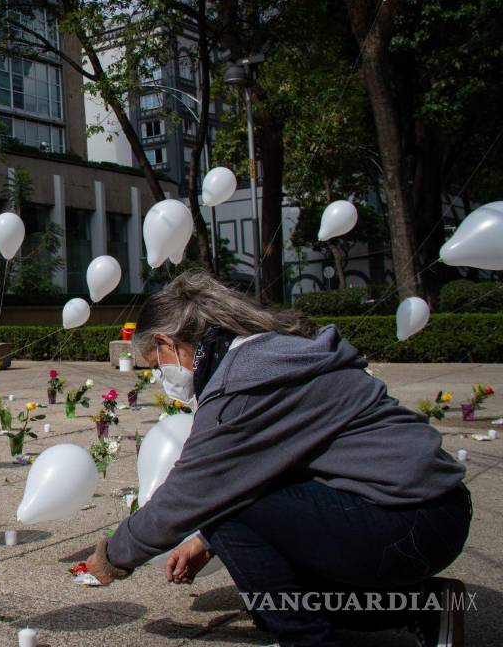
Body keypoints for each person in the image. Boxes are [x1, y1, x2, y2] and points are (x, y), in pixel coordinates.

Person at [84, 272, 471, 647]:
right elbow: (276, 463)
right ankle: (426, 606)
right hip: (434, 508)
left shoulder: (241, 383)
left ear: (169, 343)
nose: (162, 379)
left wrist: (112, 556)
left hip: (407, 519)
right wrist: (206, 542)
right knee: (268, 601)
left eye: (156, 365)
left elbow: (192, 493)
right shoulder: (269, 350)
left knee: (224, 505)